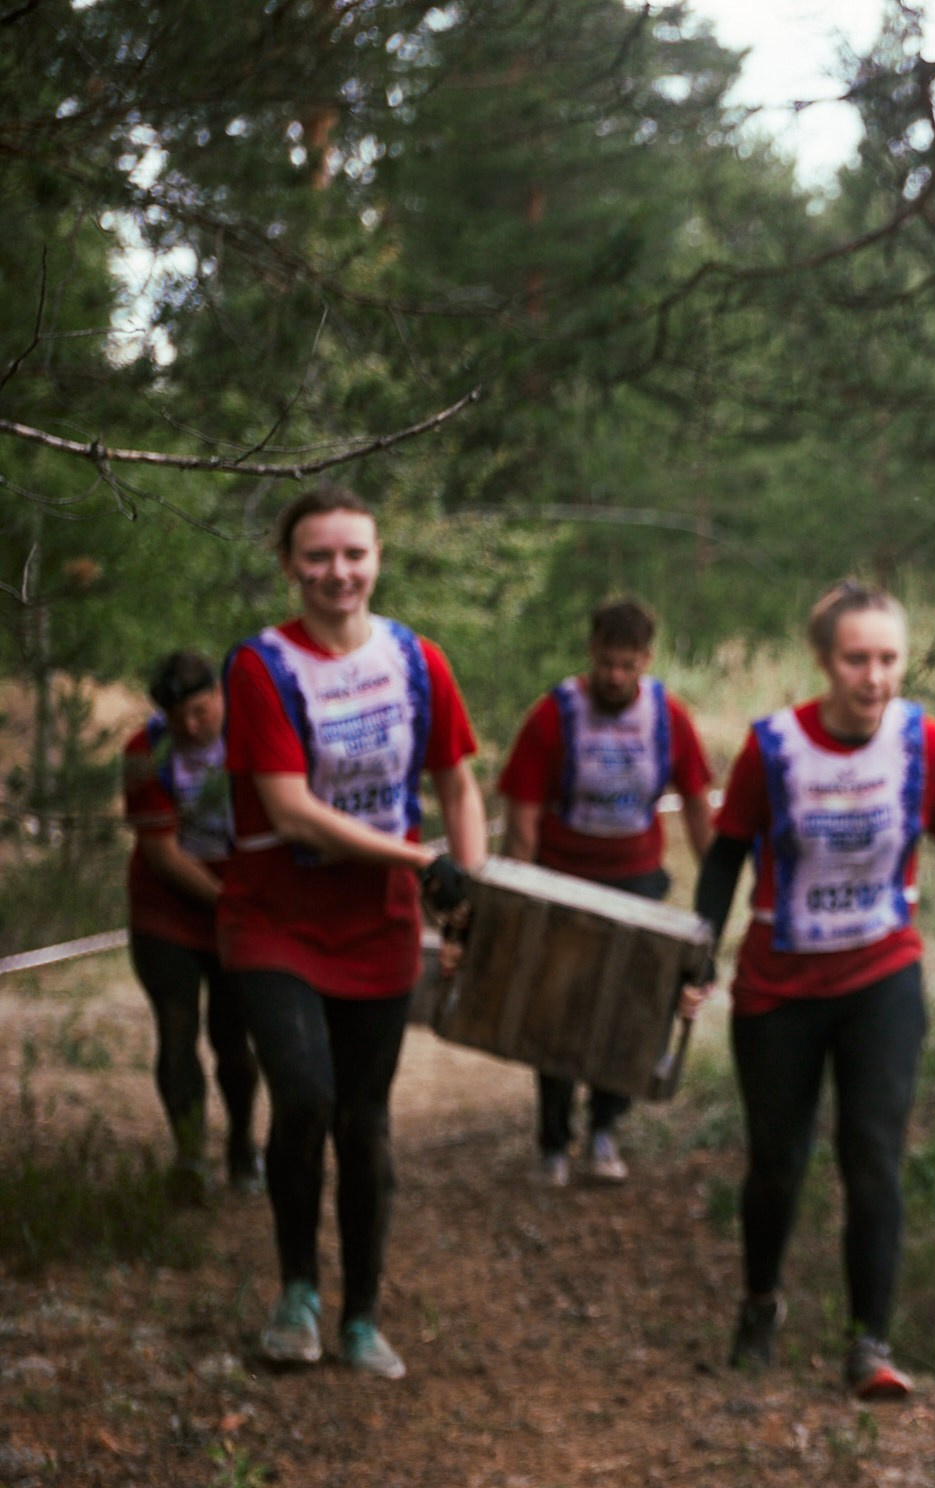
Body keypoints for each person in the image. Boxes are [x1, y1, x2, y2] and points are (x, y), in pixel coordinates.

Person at [689, 580, 935, 1399]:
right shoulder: (773, 747)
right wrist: (697, 950)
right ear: (824, 660)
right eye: (857, 658)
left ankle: (869, 1344)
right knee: (778, 1161)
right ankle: (760, 1303)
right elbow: (723, 857)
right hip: (779, 988)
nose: (874, 676)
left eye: (888, 658)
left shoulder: (927, 744)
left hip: (882, 976)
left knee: (873, 1156)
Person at [221, 484, 486, 1381]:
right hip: (275, 924)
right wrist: (419, 862)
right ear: (290, 566)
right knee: (303, 1096)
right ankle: (297, 1289)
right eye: (318, 556)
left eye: (354, 554)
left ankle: (363, 1315)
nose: (338, 572)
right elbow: (291, 813)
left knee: (365, 1124)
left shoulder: (416, 659)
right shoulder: (260, 667)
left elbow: (456, 782)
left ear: (377, 558)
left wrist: (469, 890)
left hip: (376, 928)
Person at [495, 597, 716, 1186]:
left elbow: (697, 805)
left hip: (638, 881)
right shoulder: (553, 716)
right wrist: (517, 896)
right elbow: (522, 816)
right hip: (563, 879)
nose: (615, 677)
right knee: (558, 1009)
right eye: (606, 663)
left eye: (627, 665)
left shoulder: (669, 717)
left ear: (645, 660)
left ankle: (605, 1129)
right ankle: (552, 1141)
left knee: (630, 1011)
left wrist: (713, 891)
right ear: (591, 652)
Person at [121, 649, 260, 1200]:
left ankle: (244, 1147)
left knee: (234, 1036)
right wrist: (225, 901)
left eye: (203, 712)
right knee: (177, 1029)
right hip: (168, 909)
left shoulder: (253, 734)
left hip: (239, 906)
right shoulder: (145, 751)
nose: (193, 727)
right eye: (180, 720)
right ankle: (190, 1157)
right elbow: (160, 853)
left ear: (222, 695)